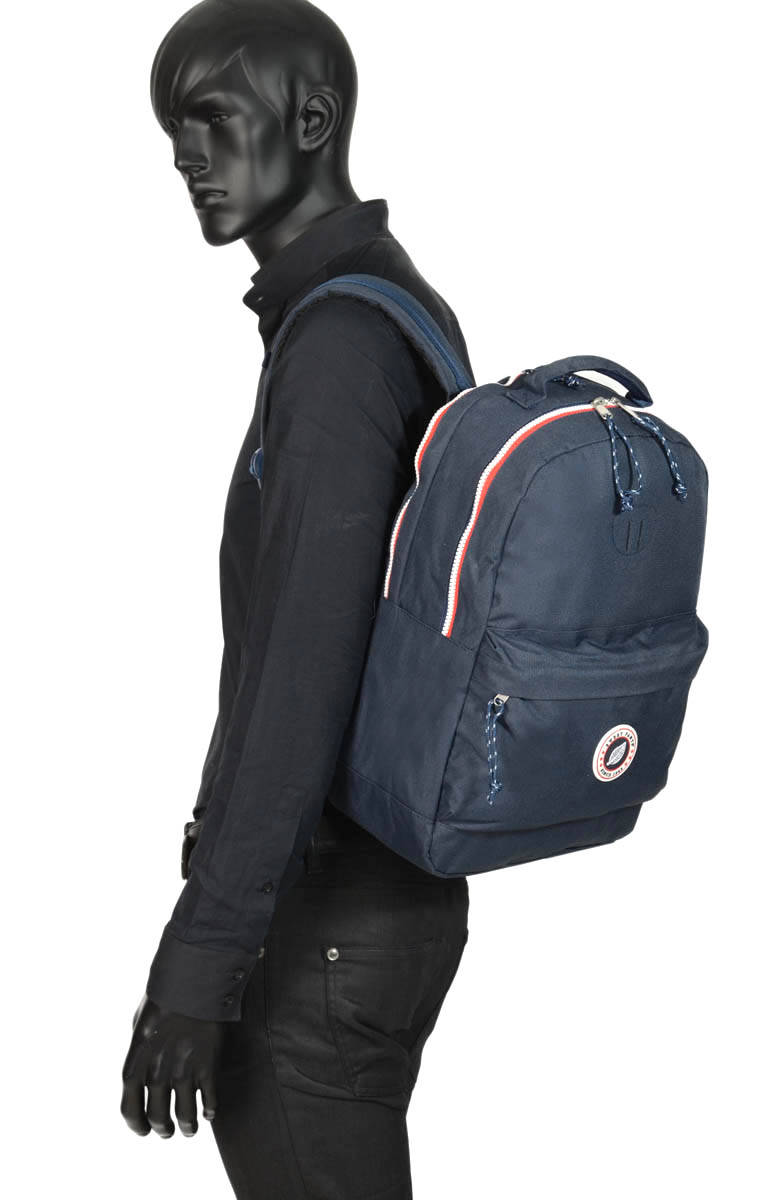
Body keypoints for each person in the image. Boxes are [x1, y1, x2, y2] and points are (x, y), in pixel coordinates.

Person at [120, 4, 473, 1197]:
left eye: (211, 119)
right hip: (376, 902)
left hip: (321, 920)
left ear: (311, 118)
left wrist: (202, 959)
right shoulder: (394, 307)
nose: (186, 155)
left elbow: (301, 679)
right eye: (173, 131)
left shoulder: (338, 348)